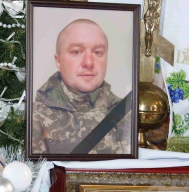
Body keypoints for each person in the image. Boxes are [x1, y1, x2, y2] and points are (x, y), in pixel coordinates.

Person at [31, 19, 132, 154]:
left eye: (98, 52)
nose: (88, 62)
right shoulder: (34, 116)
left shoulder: (127, 112)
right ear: (58, 61)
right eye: (77, 52)